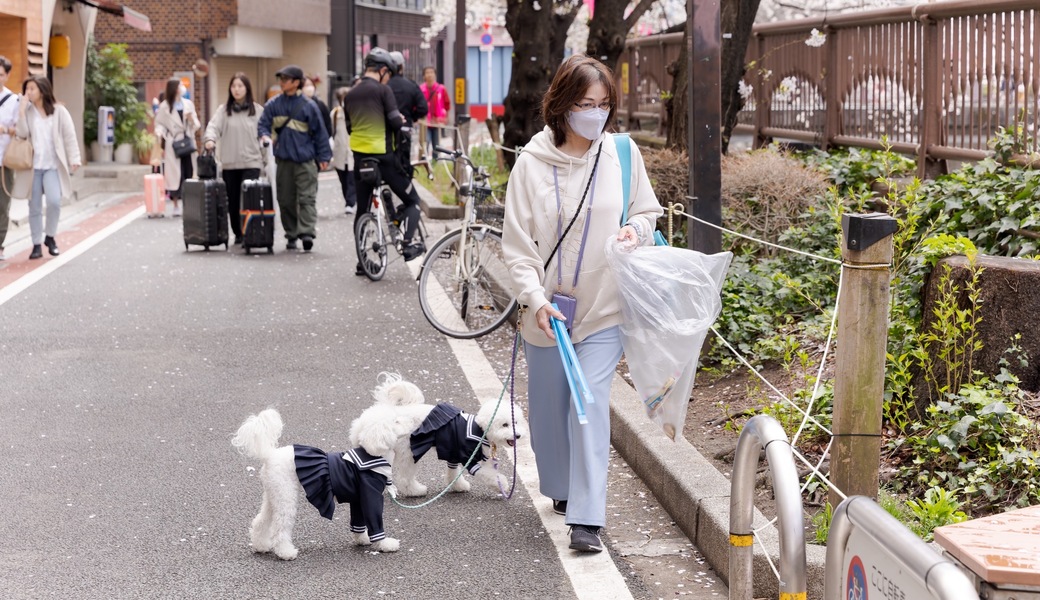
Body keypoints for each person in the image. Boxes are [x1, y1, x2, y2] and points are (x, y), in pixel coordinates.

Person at [501, 55, 663, 553]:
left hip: (605, 308)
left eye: (603, 104)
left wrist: (636, 230)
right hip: (548, 313)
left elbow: (646, 211)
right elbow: (518, 249)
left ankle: (587, 519)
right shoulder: (530, 165)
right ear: (561, 105)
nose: (596, 114)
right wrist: (534, 300)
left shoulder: (621, 153)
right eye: (585, 104)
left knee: (588, 402)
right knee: (550, 414)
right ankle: (562, 488)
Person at [343, 47, 426, 273]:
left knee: (362, 210)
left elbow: (350, 128)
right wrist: (400, 120)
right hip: (385, 159)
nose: (388, 78)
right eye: (388, 73)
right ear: (382, 70)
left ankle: (363, 262)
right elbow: (396, 123)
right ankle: (407, 244)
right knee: (413, 200)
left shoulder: (350, 95)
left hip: (361, 160)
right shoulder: (383, 91)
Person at [257, 64, 331, 252]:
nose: (282, 82)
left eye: (286, 79)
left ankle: (306, 233)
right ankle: (291, 234)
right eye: (281, 79)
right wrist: (264, 136)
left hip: (305, 160)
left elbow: (320, 133)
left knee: (307, 198)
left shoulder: (309, 106)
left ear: (296, 82)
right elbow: (263, 124)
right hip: (283, 160)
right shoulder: (273, 105)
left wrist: (324, 156)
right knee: (285, 199)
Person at [12, 76, 81, 260]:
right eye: (27, 89)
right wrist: (21, 111)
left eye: (32, 89)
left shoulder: (59, 111)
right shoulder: (28, 111)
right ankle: (36, 244)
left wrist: (74, 158)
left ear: (42, 90)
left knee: (54, 202)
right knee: (34, 206)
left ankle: (50, 237)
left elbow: (69, 136)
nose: (28, 93)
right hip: (33, 167)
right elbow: (21, 133)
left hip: (52, 166)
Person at [203, 72, 265, 245]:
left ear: (247, 88)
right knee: (233, 201)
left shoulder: (257, 111)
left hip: (251, 162)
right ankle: (238, 233)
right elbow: (213, 127)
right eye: (233, 86)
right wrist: (210, 139)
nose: (236, 89)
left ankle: (250, 231)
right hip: (230, 164)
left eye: (240, 86)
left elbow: (265, 134)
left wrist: (267, 161)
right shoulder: (223, 111)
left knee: (249, 199)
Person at [154, 78, 200, 217]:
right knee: (175, 176)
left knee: (189, 172)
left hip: (187, 141)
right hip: (173, 143)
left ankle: (188, 205)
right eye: (180, 85)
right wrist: (159, 133)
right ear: (174, 88)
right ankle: (175, 205)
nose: (182, 88)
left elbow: (197, 125)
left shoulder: (188, 104)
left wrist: (190, 119)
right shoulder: (165, 106)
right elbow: (159, 123)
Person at [387, 51, 428, 173]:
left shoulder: (383, 86)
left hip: (385, 130)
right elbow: (423, 108)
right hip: (405, 128)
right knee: (404, 163)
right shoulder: (411, 85)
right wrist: (411, 117)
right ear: (402, 66)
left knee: (386, 164)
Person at [0, 56, 18, 261]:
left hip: (5, 160)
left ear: (7, 75)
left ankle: (0, 244)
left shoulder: (13, 100)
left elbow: (19, 129)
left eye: (0, 75)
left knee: (2, 205)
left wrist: (4, 129)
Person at [329, 86, 356, 214]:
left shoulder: (357, 112)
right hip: (340, 152)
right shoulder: (335, 114)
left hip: (352, 151)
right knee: (343, 179)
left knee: (352, 179)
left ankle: (350, 203)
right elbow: (332, 131)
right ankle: (348, 200)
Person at [419, 66, 450, 157]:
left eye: (431, 72)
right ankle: (423, 161)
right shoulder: (421, 89)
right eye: (427, 73)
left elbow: (447, 104)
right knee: (425, 143)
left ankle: (435, 161)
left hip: (437, 121)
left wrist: (445, 118)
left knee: (437, 145)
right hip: (425, 121)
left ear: (435, 75)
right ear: (424, 76)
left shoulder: (441, 89)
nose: (430, 75)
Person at [302, 76, 333, 155]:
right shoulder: (297, 105)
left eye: (311, 85)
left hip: (317, 147)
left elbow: (328, 125)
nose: (309, 88)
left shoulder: (320, 104)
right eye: (306, 85)